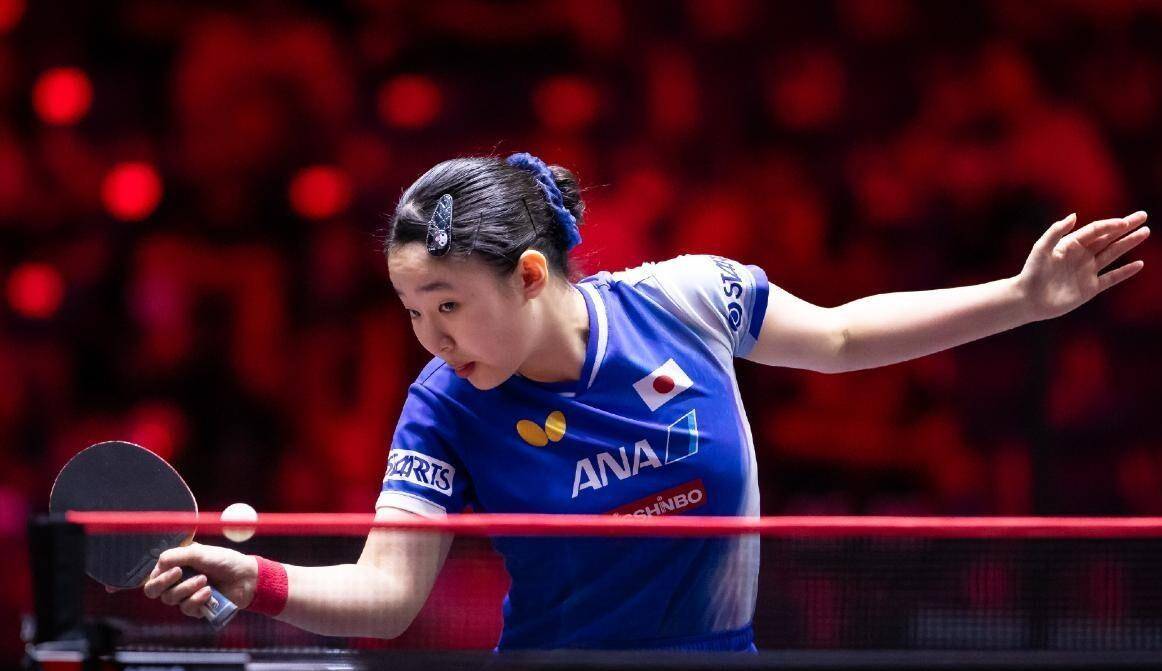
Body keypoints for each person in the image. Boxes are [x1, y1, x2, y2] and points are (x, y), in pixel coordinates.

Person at [143, 152, 1149, 650]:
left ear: (528, 276)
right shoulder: (442, 406)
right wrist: (255, 578)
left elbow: (842, 338)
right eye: (412, 311)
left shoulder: (686, 300)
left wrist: (1023, 300)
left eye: (448, 305)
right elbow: (389, 592)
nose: (432, 337)